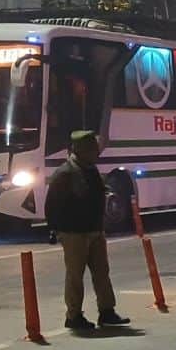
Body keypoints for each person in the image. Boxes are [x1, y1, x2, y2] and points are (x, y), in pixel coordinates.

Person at [43, 131, 129, 331]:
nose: (96, 153)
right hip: (74, 233)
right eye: (91, 150)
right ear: (79, 150)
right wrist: (56, 229)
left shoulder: (91, 170)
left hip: (94, 230)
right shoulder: (65, 174)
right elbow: (52, 206)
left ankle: (107, 312)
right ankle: (73, 316)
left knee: (102, 273)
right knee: (75, 275)